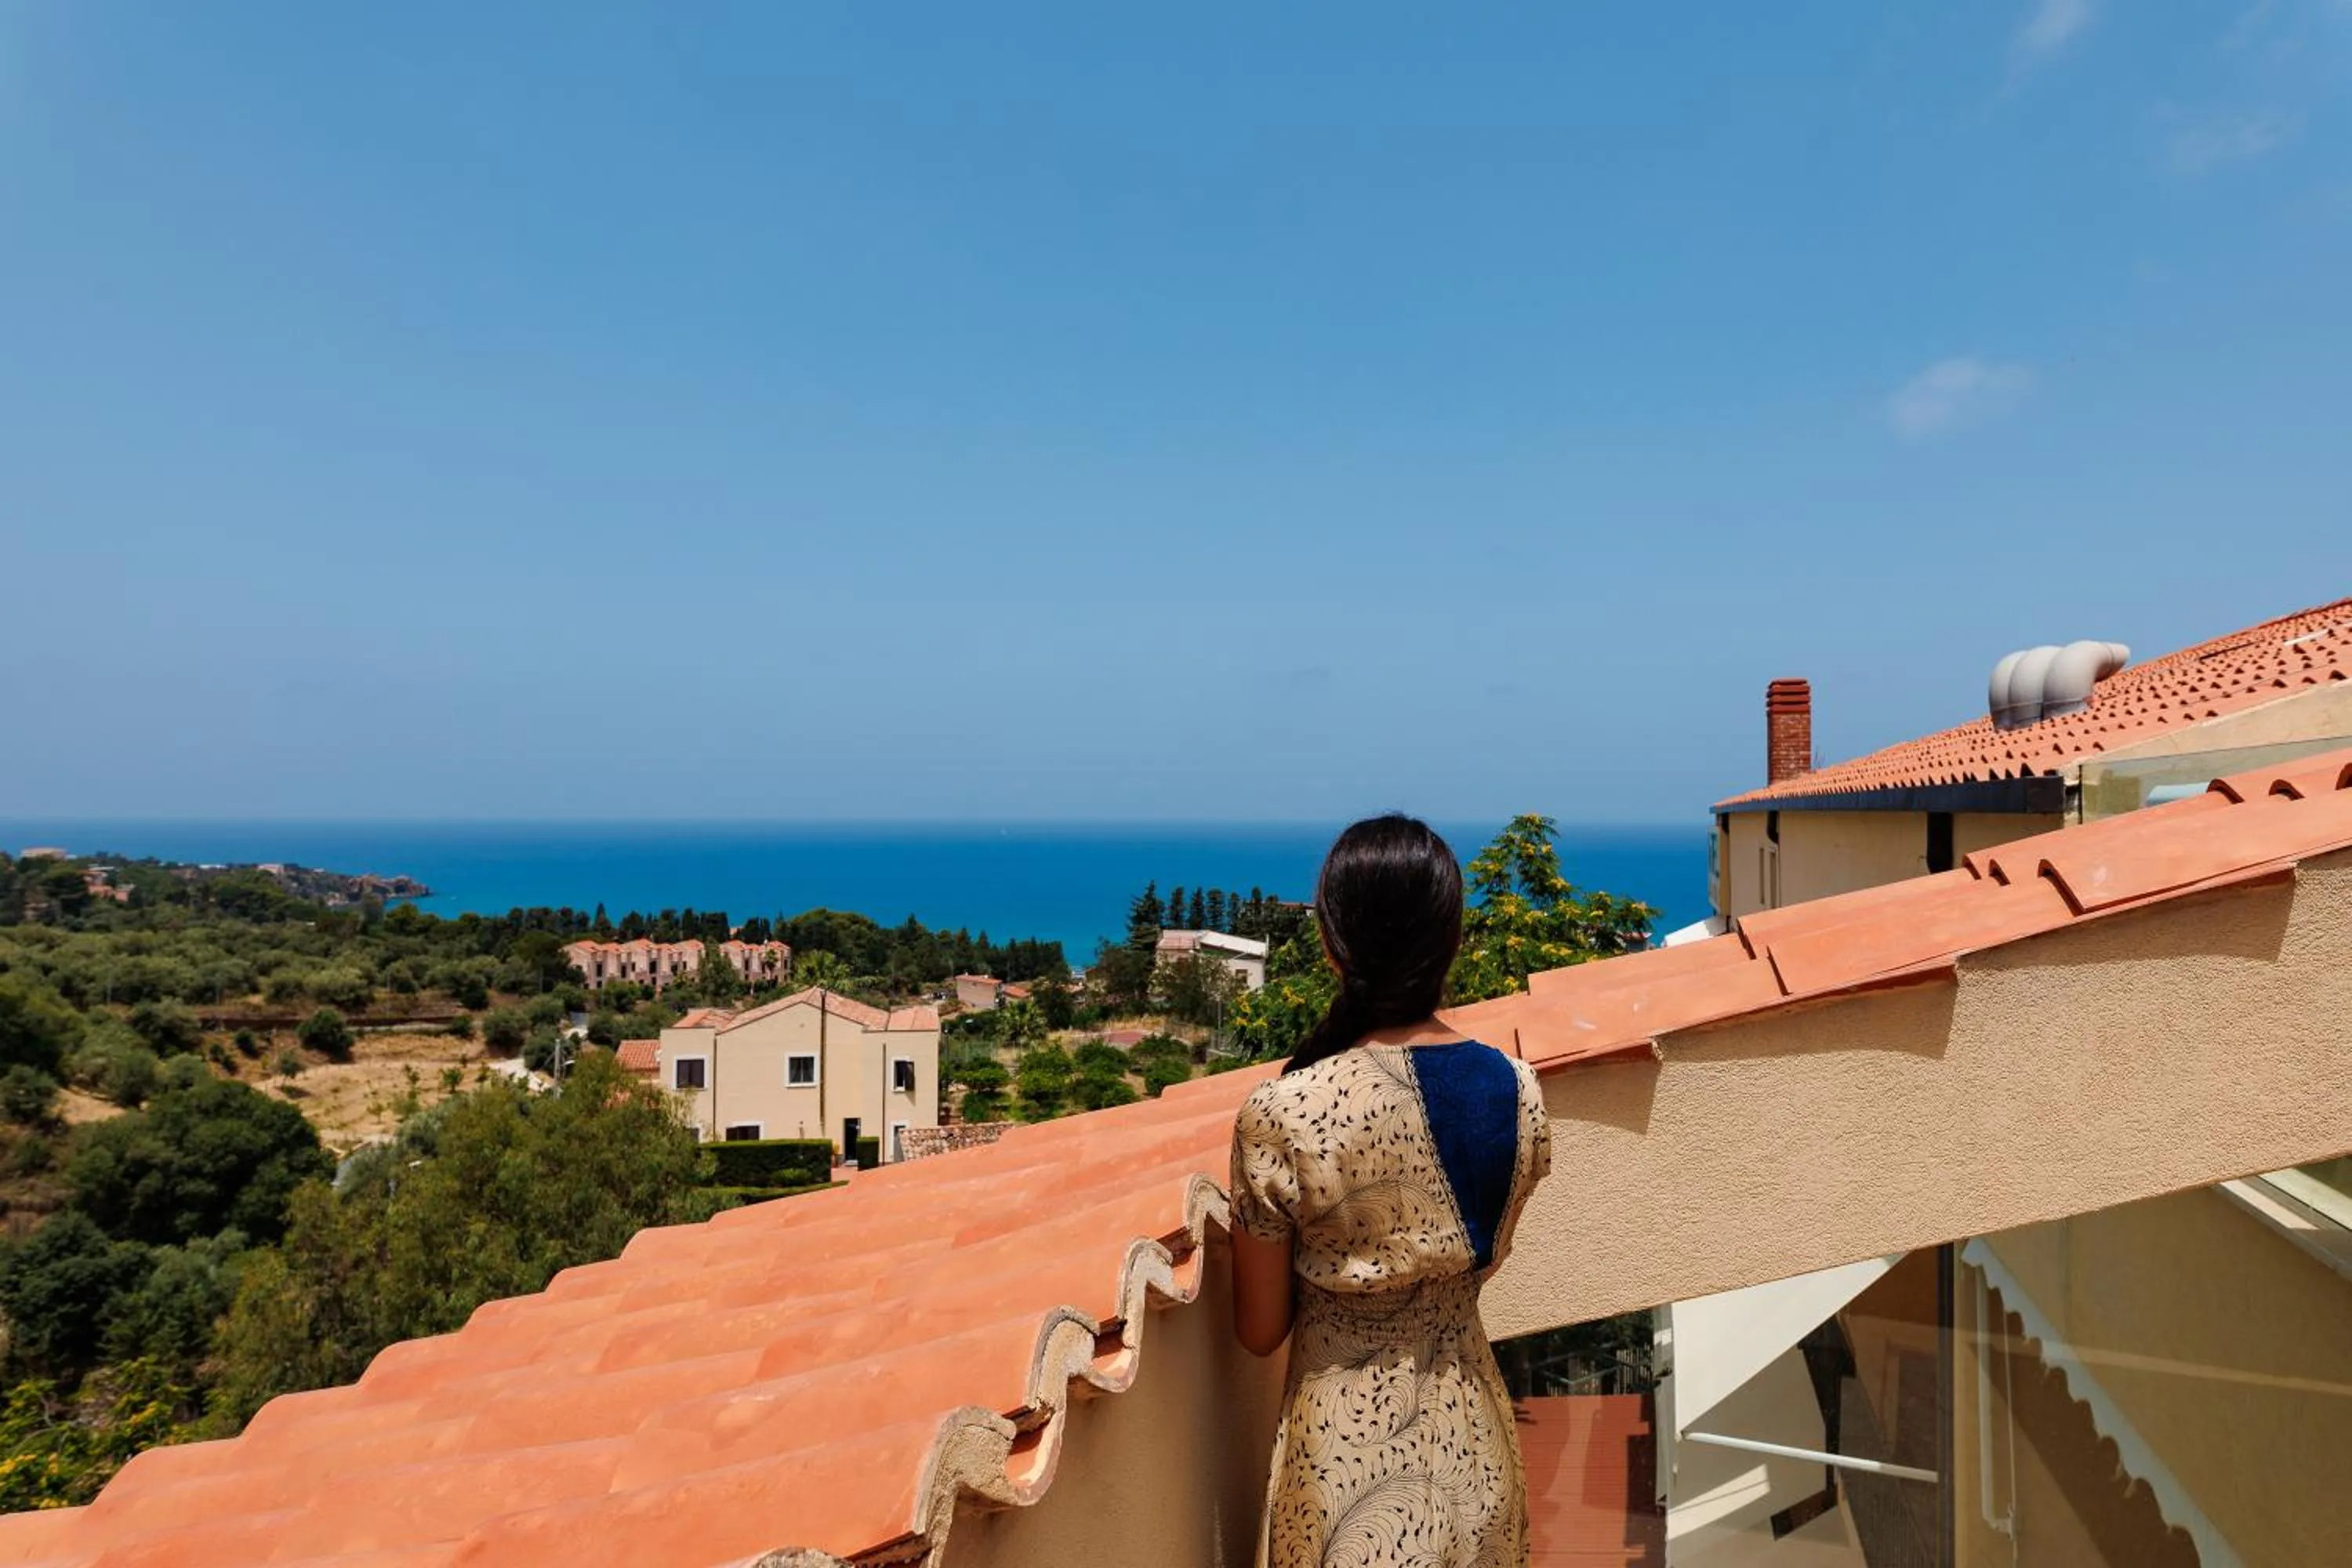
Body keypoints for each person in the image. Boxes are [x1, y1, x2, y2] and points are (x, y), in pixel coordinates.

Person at [1229, 813, 1552, 1567]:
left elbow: (1259, 1329)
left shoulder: (1286, 1113)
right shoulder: (1518, 1091)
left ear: (1332, 947)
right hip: (1476, 1450)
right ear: (1454, 940)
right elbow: (1474, 1260)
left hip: (1345, 1466)